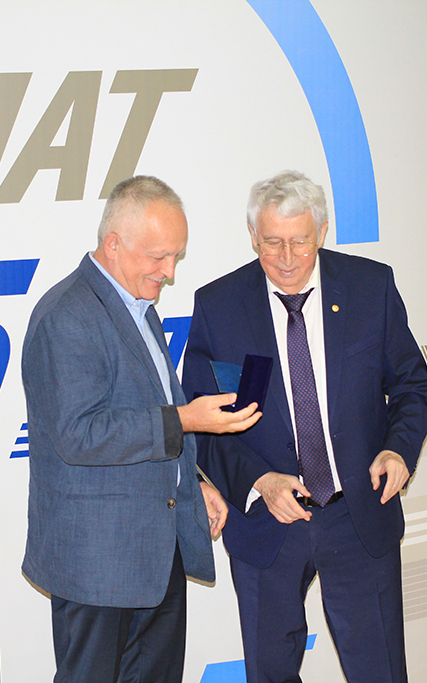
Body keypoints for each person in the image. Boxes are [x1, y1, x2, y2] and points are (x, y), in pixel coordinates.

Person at [181, 170, 427, 682]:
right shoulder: (219, 305)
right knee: (271, 673)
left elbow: (412, 386)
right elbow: (202, 424)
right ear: (252, 236)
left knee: (380, 671)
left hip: (358, 514)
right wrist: (259, 481)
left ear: (321, 231)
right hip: (267, 523)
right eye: (272, 242)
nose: (287, 258)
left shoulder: (371, 287)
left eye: (299, 241)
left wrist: (398, 450)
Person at [21, 175, 261, 683]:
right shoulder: (67, 316)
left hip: (156, 553)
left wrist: (193, 481)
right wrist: (187, 419)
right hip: (97, 565)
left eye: (176, 256)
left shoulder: (138, 307)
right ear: (113, 244)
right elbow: (79, 435)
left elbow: (150, 408)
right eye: (158, 256)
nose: (169, 272)